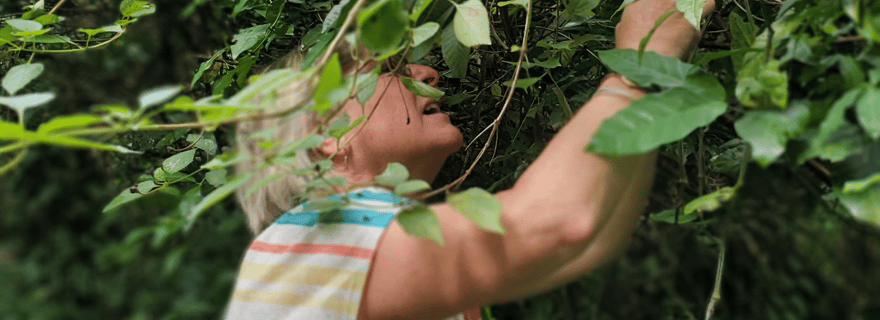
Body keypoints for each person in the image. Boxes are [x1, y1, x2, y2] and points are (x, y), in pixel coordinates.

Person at [225, 0, 715, 319]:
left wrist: (650, 85)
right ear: (326, 135)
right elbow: (557, 225)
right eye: (390, 69)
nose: (427, 72)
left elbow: (591, 242)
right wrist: (637, 66)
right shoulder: (318, 240)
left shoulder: (340, 245)